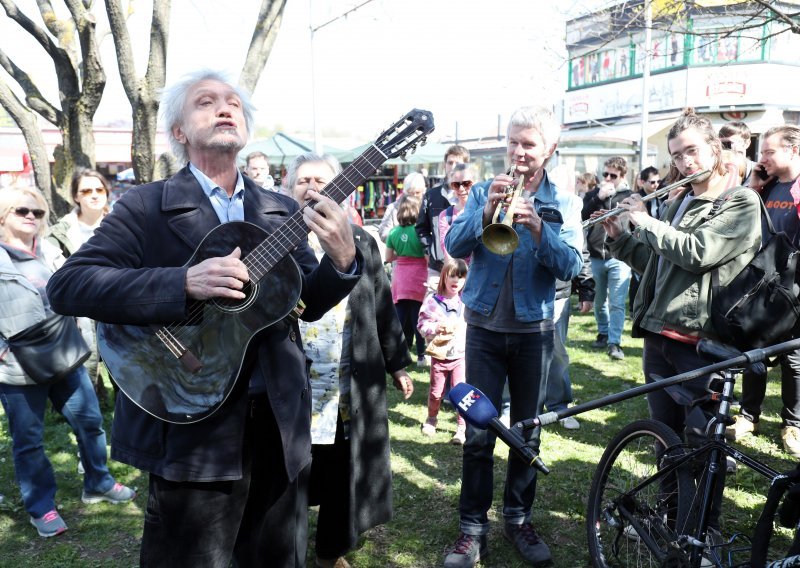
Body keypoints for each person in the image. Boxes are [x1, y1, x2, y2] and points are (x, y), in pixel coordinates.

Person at [46, 70, 362, 567]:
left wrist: (342, 262)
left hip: (278, 426)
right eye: (206, 102)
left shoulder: (278, 210)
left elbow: (307, 302)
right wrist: (181, 282)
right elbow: (68, 285)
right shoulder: (145, 207)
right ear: (178, 132)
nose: (224, 108)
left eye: (233, 102)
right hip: (191, 421)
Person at [598, 108, 762, 530]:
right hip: (660, 338)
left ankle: (700, 533)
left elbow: (697, 253)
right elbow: (657, 264)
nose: (685, 163)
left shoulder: (741, 202)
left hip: (702, 345)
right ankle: (669, 522)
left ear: (714, 148)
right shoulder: (681, 200)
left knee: (704, 444)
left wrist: (647, 220)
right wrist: (621, 238)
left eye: (692, 151)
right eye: (677, 156)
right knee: (666, 442)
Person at [443, 106, 583, 568]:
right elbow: (454, 247)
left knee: (528, 432)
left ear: (550, 149)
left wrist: (541, 229)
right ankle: (471, 529)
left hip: (534, 330)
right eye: (513, 143)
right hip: (483, 327)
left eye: (529, 144)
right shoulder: (485, 188)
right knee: (478, 433)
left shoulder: (564, 200)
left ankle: (519, 518)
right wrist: (485, 209)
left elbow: (570, 266)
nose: (519, 153)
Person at [284, 152, 413, 568]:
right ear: (288, 190)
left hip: (344, 390)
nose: (311, 187)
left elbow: (380, 303)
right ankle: (285, 551)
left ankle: (329, 553)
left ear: (342, 191)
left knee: (341, 478)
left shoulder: (362, 241)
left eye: (322, 179)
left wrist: (396, 362)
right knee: (290, 480)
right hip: (291, 392)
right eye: (302, 180)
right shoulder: (274, 245)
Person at [0, 185, 136, 539]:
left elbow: (72, 289)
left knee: (90, 422)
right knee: (29, 439)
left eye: (38, 212)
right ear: (3, 216)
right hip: (17, 364)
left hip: (63, 353)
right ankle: (41, 507)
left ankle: (99, 483)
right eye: (22, 211)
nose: (31, 217)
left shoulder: (48, 251)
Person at [726, 125, 800, 459]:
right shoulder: (766, 185)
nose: (762, 158)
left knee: (794, 359)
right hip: (763, 281)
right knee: (753, 350)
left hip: (796, 288)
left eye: (769, 151)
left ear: (793, 150)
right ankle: (747, 416)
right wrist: (753, 186)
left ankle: (793, 423)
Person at [47, 168, 111, 401]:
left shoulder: (124, 225)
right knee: (87, 364)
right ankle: (94, 401)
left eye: (99, 189)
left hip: (121, 305)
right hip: (81, 313)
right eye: (86, 190)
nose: (94, 195)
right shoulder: (59, 234)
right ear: (76, 196)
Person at [582, 156, 633, 360]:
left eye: (614, 175)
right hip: (596, 255)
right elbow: (583, 215)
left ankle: (614, 342)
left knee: (617, 302)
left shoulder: (629, 195)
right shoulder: (594, 194)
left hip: (618, 257)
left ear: (622, 176)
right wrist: (599, 197)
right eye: (606, 174)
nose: (609, 178)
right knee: (599, 300)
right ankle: (603, 332)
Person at [417, 258, 468, 443]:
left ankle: (462, 428)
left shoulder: (466, 302)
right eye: (452, 275)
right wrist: (436, 328)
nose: (456, 280)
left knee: (461, 393)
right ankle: (431, 419)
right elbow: (422, 325)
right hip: (440, 356)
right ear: (444, 277)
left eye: (461, 277)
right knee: (436, 392)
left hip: (460, 356)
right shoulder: (433, 302)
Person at [416, 145, 470, 288]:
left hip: (466, 269)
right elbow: (421, 227)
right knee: (434, 309)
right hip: (437, 267)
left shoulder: (473, 195)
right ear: (445, 165)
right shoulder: (431, 195)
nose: (453, 166)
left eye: (457, 163)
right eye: (450, 162)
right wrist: (429, 250)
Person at [385, 194, 428, 367]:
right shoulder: (420, 231)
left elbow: (388, 258)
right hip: (419, 278)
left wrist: (402, 255)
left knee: (400, 319)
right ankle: (421, 356)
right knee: (419, 319)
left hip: (400, 278)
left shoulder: (393, 232)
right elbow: (427, 258)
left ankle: (398, 356)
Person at [439, 163, 477, 263]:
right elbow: (446, 249)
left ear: (476, 183)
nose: (461, 189)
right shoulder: (445, 215)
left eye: (466, 184)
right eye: (456, 185)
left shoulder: (485, 210)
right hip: (457, 273)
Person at [378, 171, 426, 242]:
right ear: (405, 192)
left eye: (418, 193)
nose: (414, 195)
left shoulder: (427, 207)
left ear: (423, 192)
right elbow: (383, 233)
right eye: (411, 193)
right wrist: (401, 236)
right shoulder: (393, 208)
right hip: (399, 250)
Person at [719, 121, 756, 186]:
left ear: (747, 143)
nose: (724, 148)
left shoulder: (757, 171)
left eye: (729, 143)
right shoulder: (717, 172)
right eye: (721, 144)